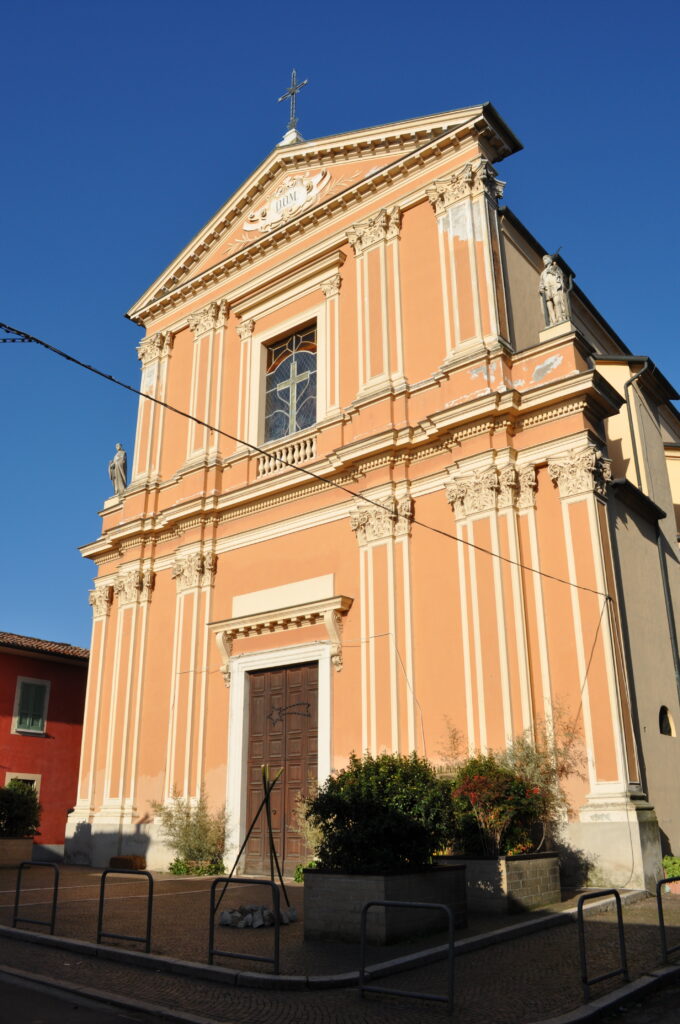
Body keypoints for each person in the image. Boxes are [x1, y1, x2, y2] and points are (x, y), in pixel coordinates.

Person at [539, 254, 571, 325]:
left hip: (555, 288)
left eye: (546, 259)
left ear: (550, 260)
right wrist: (541, 288)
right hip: (547, 290)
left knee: (557, 302)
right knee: (549, 305)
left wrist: (551, 271)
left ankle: (559, 318)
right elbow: (541, 283)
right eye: (543, 260)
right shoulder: (543, 273)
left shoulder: (555, 268)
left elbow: (560, 276)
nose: (544, 261)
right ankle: (553, 320)